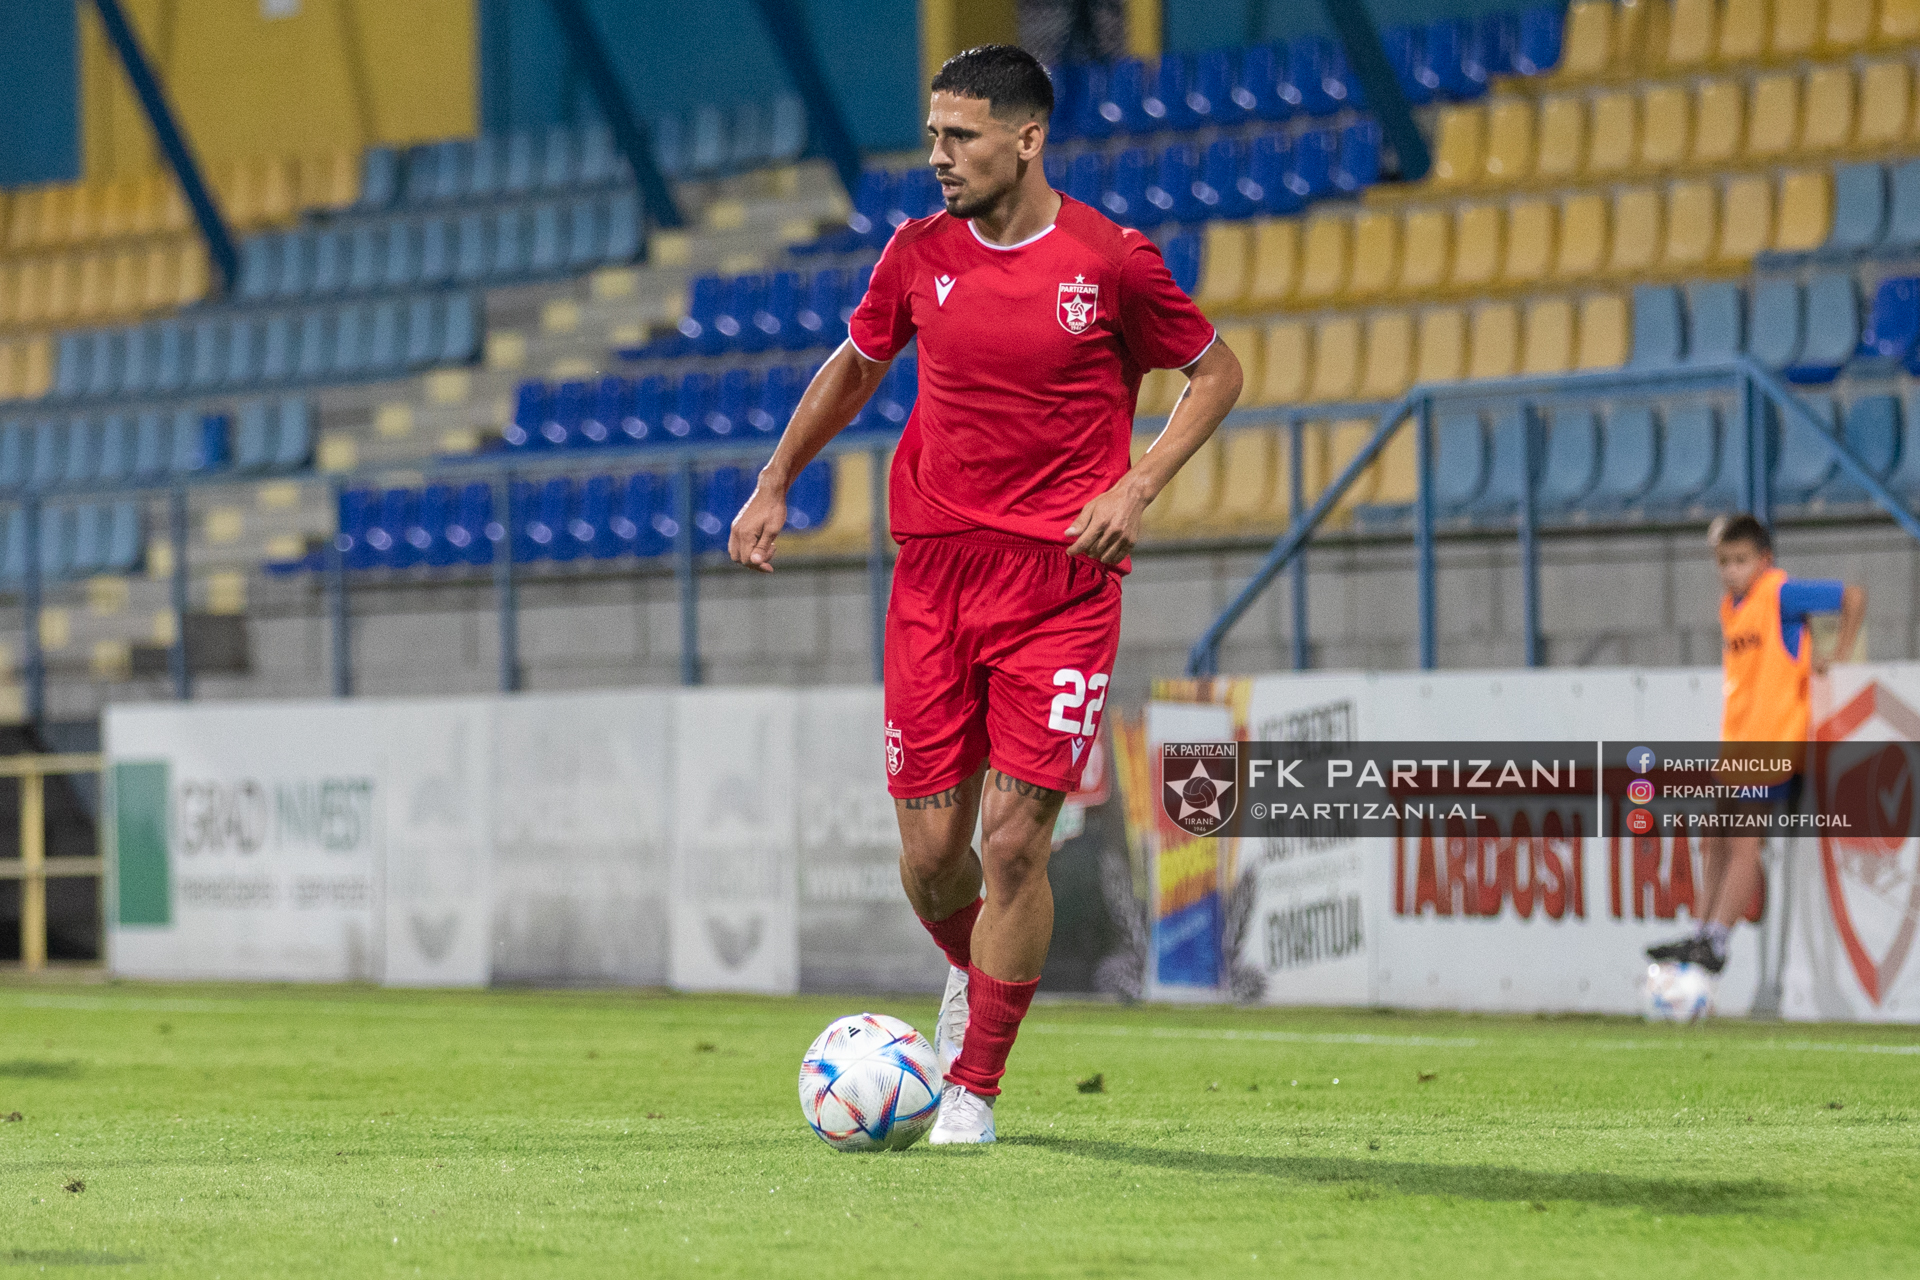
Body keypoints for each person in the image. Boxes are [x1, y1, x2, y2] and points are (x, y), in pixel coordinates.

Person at [728, 44, 1242, 1143]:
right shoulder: (918, 254)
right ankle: (981, 968)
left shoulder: (1111, 261)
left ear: (1027, 137)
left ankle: (973, 1088)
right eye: (932, 135)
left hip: (1060, 586)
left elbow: (1217, 373)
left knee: (1013, 845)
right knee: (932, 860)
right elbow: (856, 367)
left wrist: (1138, 483)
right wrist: (776, 481)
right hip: (934, 577)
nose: (939, 155)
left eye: (960, 136)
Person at [1646, 513, 1865, 975]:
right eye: (1724, 562)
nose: (1731, 570)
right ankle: (1701, 931)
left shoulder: (1778, 593)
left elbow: (1852, 596)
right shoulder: (1731, 607)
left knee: (1745, 843)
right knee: (1714, 840)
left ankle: (1717, 940)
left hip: (1771, 744)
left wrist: (1839, 654)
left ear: (1764, 559)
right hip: (1738, 745)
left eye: (1741, 560)